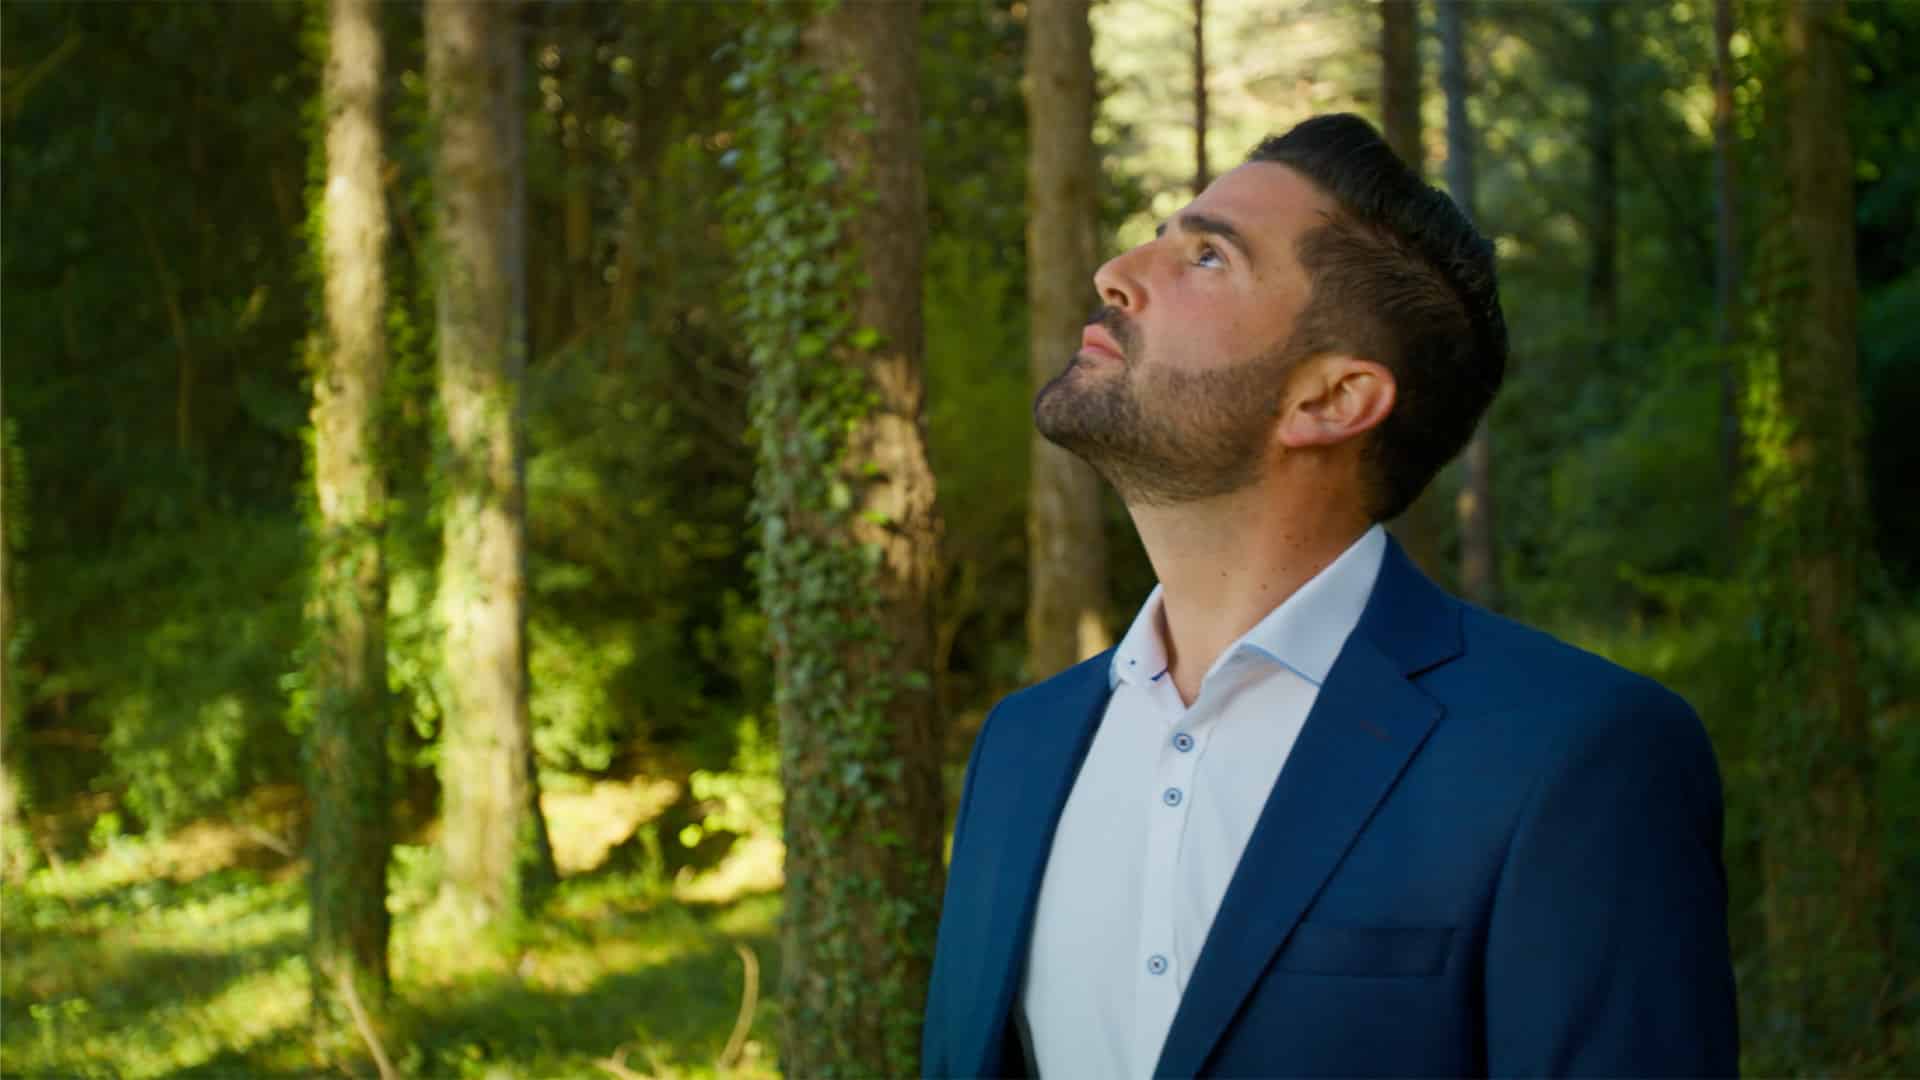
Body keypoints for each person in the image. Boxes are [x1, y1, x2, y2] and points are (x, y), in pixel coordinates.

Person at [920, 114, 1738, 1079]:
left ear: (1332, 400)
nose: (1116, 273)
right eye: (1160, 237)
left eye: (1209, 257)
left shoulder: (1575, 758)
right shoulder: (1020, 747)